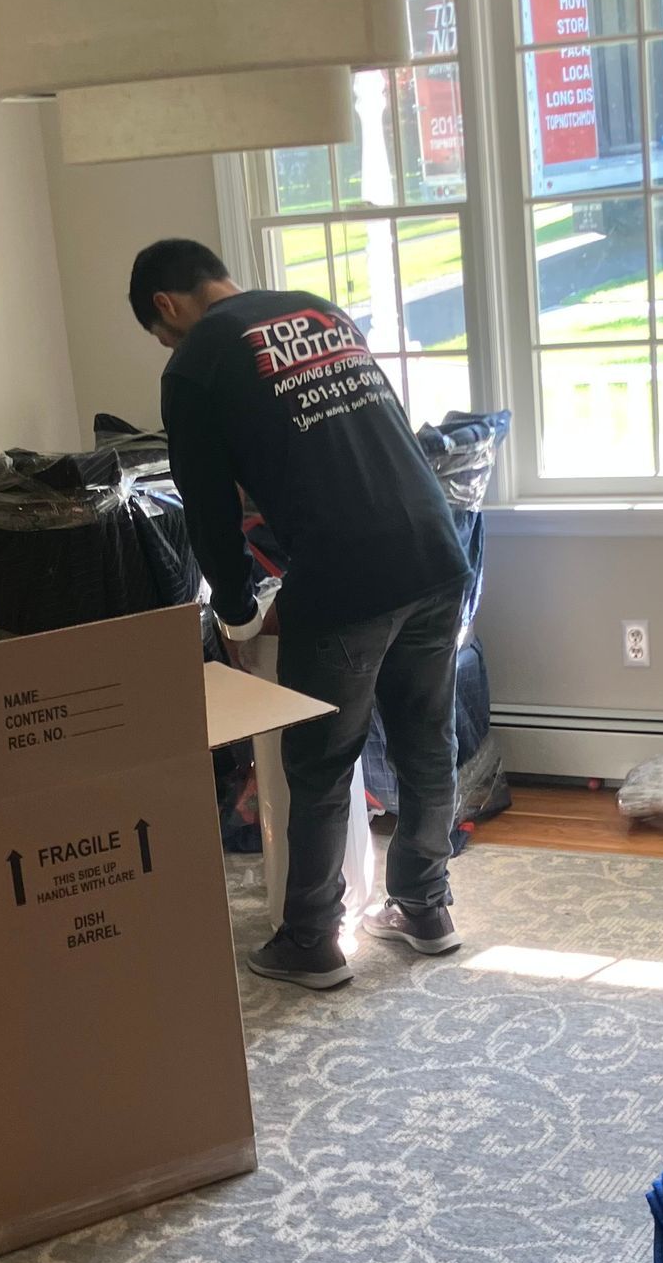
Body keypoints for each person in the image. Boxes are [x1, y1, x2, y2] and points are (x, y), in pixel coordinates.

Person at [130, 237, 470, 993]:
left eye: (160, 333)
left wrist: (238, 611)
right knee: (425, 739)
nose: (167, 344)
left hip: (347, 572)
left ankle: (310, 941)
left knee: (319, 762)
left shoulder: (193, 364)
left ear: (166, 305)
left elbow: (208, 510)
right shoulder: (321, 311)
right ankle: (426, 908)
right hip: (436, 548)